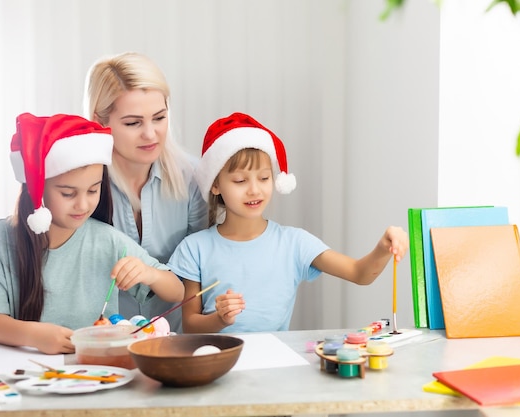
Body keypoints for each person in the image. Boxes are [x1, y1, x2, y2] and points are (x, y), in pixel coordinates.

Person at [167, 112, 409, 333]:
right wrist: (220, 319)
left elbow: (360, 274)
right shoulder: (195, 248)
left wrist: (383, 247)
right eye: (240, 181)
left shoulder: (294, 243)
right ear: (216, 185)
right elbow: (190, 325)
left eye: (264, 178)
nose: (254, 190)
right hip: (215, 365)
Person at [0, 113, 184, 354]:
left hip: (95, 369)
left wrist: (148, 273)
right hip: (18, 369)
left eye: (93, 191)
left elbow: (177, 290)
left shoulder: (107, 239)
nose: (83, 205)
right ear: (37, 190)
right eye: (68, 194)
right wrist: (35, 335)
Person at [83, 52, 208, 332]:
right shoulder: (79, 185)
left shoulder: (193, 179)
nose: (151, 134)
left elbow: (199, 272)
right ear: (100, 121)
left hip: (174, 340)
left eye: (159, 117)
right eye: (133, 123)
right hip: (100, 341)